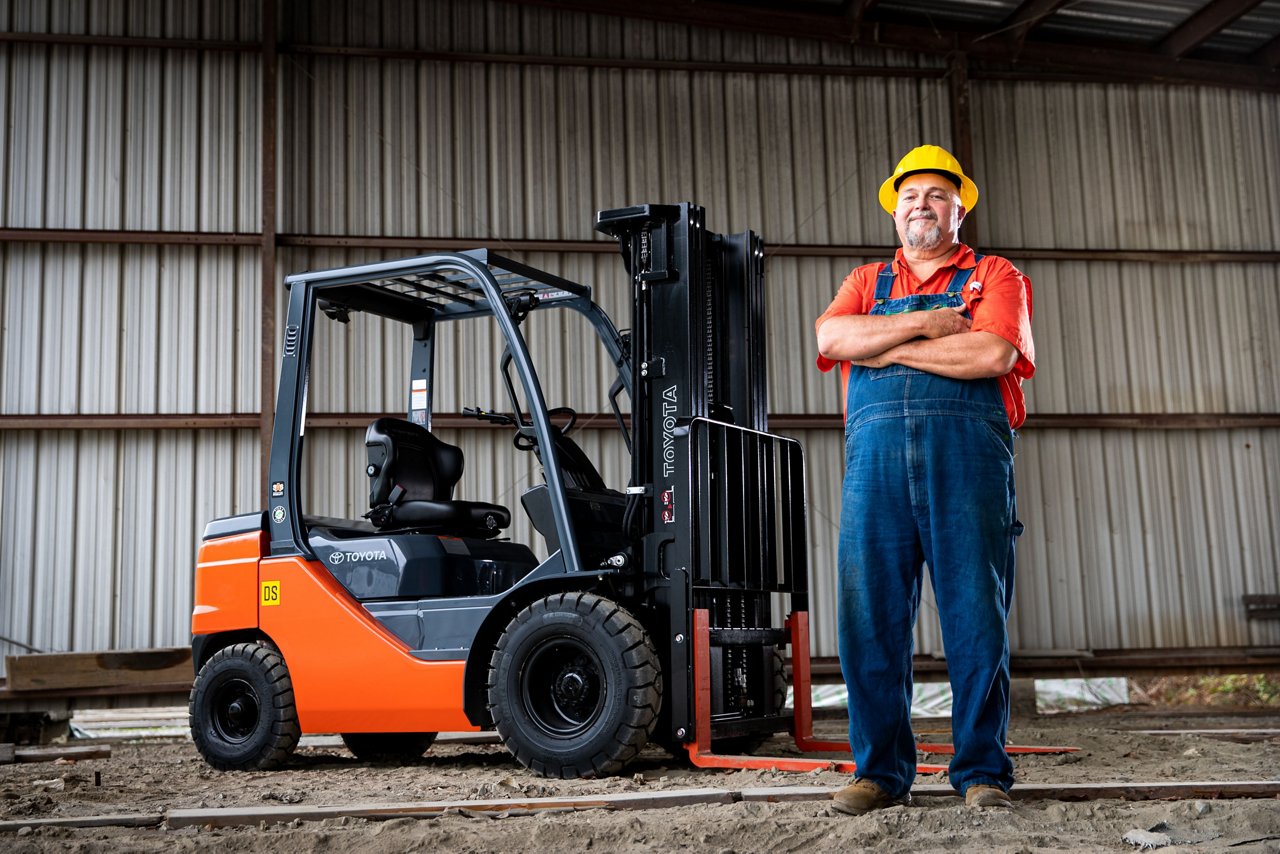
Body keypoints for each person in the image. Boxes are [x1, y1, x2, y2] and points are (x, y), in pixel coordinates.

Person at [814, 145, 1035, 813]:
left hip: (966, 463)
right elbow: (829, 339)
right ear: (895, 211)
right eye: (910, 197)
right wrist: (930, 328)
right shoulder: (864, 280)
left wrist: (884, 343)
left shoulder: (996, 274)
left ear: (959, 208)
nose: (921, 206)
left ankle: (982, 773)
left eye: (937, 195)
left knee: (976, 619)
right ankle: (879, 773)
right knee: (869, 618)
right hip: (875, 469)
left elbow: (993, 351)